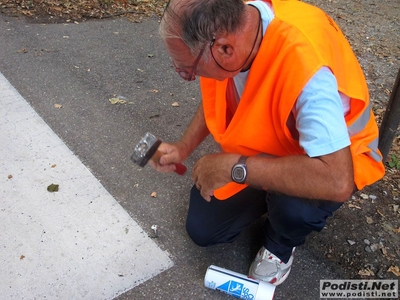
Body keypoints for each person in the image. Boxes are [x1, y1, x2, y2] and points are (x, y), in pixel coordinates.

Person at [151, 0, 385, 286]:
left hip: (330, 162)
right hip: (270, 148)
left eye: (188, 70)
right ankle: (267, 190)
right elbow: (216, 89)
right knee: (204, 229)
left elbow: (336, 181)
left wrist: (234, 168)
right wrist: (183, 147)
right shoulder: (233, 25)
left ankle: (280, 245)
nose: (189, 76)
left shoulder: (306, 71)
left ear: (225, 49)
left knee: (295, 209)